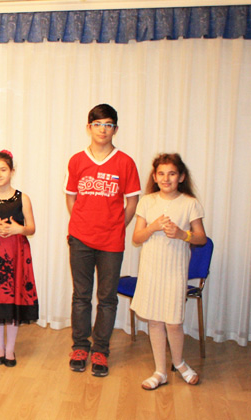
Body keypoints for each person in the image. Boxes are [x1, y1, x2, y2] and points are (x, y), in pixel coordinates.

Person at [64, 104, 140, 376]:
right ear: (89, 127)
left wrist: (117, 226)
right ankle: (80, 346)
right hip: (80, 240)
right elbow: (71, 197)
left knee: (107, 298)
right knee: (81, 296)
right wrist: (80, 224)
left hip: (111, 243)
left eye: (108, 124)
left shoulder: (125, 162)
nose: (103, 129)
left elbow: (132, 202)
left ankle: (100, 350)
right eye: (97, 124)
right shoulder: (77, 160)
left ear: (115, 129)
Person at [130, 153, 206, 390]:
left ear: (181, 177)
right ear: (154, 177)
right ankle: (160, 371)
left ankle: (179, 363)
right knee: (155, 321)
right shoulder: (147, 201)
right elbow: (136, 237)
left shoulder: (190, 203)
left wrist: (182, 234)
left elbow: (201, 238)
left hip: (175, 270)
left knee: (173, 322)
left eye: (172, 173)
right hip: (151, 269)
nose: (166, 178)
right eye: (161, 174)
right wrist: (153, 227)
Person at [0, 150, 38, 367]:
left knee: (13, 303)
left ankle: (10, 349)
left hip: (17, 256)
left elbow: (31, 228)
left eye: (3, 169)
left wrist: (19, 229)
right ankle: (0, 348)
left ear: (12, 171)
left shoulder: (23, 198)